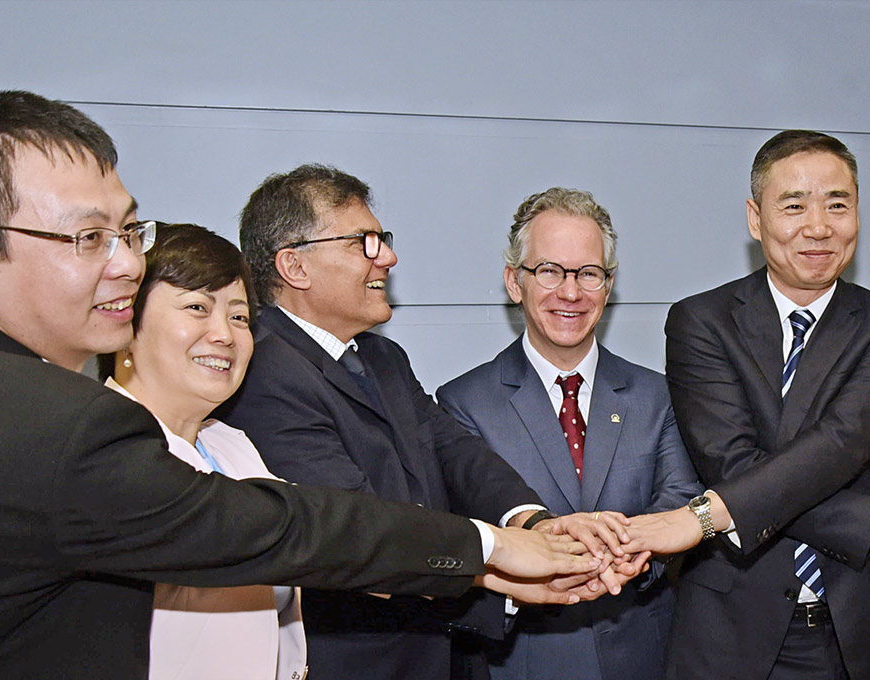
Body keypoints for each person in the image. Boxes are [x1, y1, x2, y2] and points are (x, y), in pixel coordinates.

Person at [0, 90, 599, 680]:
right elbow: (283, 528)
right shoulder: (58, 425)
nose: (126, 262)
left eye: (127, 227)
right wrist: (491, 547)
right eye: (87, 237)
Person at [217, 165, 640, 680]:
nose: (388, 257)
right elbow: (358, 531)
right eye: (364, 242)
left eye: (383, 240)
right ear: (294, 266)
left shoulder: (381, 358)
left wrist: (534, 523)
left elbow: (455, 452)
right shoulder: (262, 370)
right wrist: (503, 564)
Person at [620, 129, 870, 680]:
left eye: (836, 205)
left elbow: (841, 445)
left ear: (858, 214)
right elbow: (732, 466)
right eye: (794, 206)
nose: (818, 227)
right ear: (756, 218)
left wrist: (704, 516)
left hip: (859, 628)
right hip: (730, 624)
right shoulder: (702, 321)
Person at [437, 187, 703, 680]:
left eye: (588, 273)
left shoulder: (656, 394)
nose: (571, 292)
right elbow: (469, 538)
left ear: (609, 285)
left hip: (645, 653)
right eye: (550, 271)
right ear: (514, 282)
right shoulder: (462, 404)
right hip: (522, 660)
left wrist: (633, 555)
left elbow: (679, 500)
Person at [104, 224, 308, 680]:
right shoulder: (103, 452)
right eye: (197, 307)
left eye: (239, 317)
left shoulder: (230, 443)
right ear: (124, 323)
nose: (225, 335)